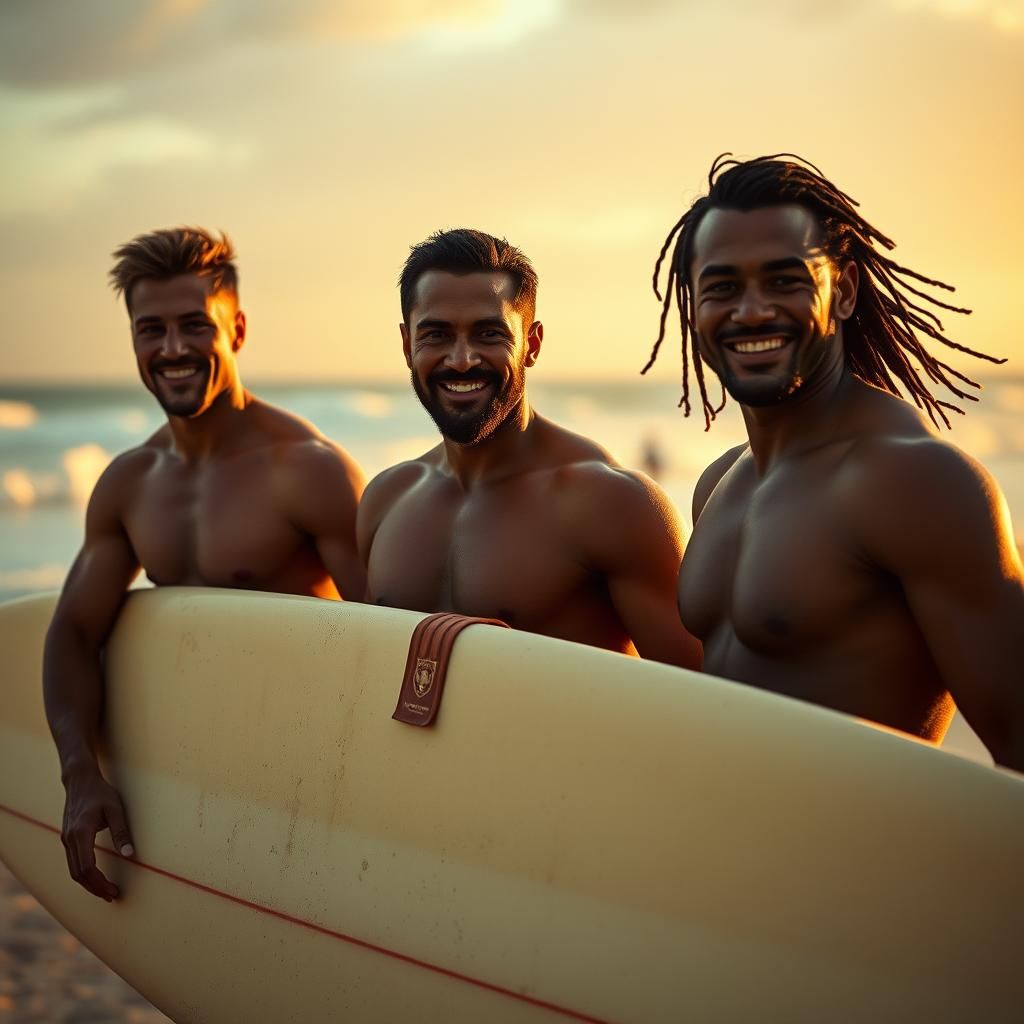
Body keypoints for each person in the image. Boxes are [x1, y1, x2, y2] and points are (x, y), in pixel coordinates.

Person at [644, 153, 1024, 771]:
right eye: (722, 288)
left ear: (842, 291)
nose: (751, 311)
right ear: (693, 306)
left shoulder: (914, 482)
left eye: (785, 280)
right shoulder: (720, 482)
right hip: (725, 852)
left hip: (867, 858)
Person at [44, 227, 366, 901]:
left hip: (315, 785)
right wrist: (82, 774)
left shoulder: (307, 472)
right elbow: (73, 632)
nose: (172, 349)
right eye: (149, 330)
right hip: (197, 784)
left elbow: (393, 625)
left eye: (195, 326)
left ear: (237, 328)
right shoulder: (130, 483)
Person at [358, 228, 701, 668]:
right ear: (407, 345)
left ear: (532, 345)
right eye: (436, 335)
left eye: (488, 334)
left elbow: (702, 702)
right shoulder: (387, 499)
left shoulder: (611, 504)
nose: (461, 359)